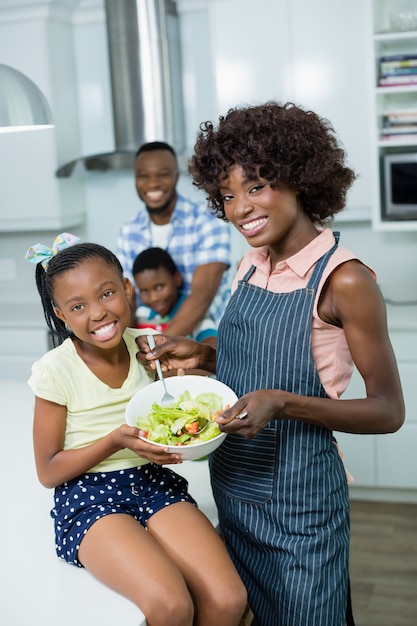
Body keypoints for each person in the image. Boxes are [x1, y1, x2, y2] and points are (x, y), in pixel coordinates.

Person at [136, 102, 405, 626]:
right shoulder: (251, 263)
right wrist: (205, 356)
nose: (240, 208)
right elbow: (259, 360)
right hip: (233, 485)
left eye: (256, 186)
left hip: (300, 503)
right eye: (228, 195)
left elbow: (388, 411)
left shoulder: (344, 280)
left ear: (299, 178)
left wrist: (281, 404)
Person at [25, 233, 247, 626]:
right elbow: (48, 471)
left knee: (229, 598)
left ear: (127, 289)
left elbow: (189, 393)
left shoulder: (150, 350)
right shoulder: (55, 371)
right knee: (171, 605)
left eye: (106, 294)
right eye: (78, 306)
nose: (97, 313)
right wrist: (114, 440)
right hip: (89, 496)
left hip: (151, 482)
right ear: (61, 315)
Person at [116, 141, 231, 336]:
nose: (153, 184)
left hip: (212, 336)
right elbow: (129, 299)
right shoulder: (128, 232)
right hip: (151, 336)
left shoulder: (207, 221)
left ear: (176, 178)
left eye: (163, 175)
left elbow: (202, 296)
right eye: (143, 176)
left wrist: (158, 351)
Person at [133, 247, 217, 346]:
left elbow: (211, 342)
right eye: (144, 291)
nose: (154, 298)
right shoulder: (140, 315)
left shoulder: (193, 312)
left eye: (159, 287)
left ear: (177, 279)